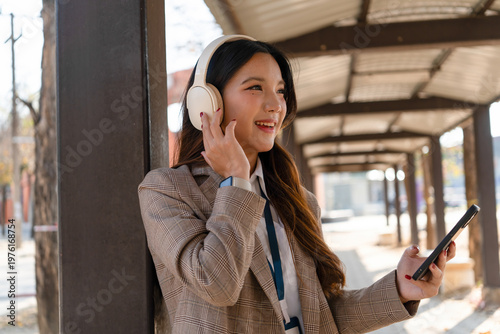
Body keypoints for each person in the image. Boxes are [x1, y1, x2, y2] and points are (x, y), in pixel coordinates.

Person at [138, 35, 456, 334]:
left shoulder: (297, 199)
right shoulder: (167, 190)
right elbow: (216, 284)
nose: (276, 105)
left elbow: (318, 315)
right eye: (254, 88)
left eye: (280, 90)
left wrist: (401, 288)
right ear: (205, 103)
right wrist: (236, 180)